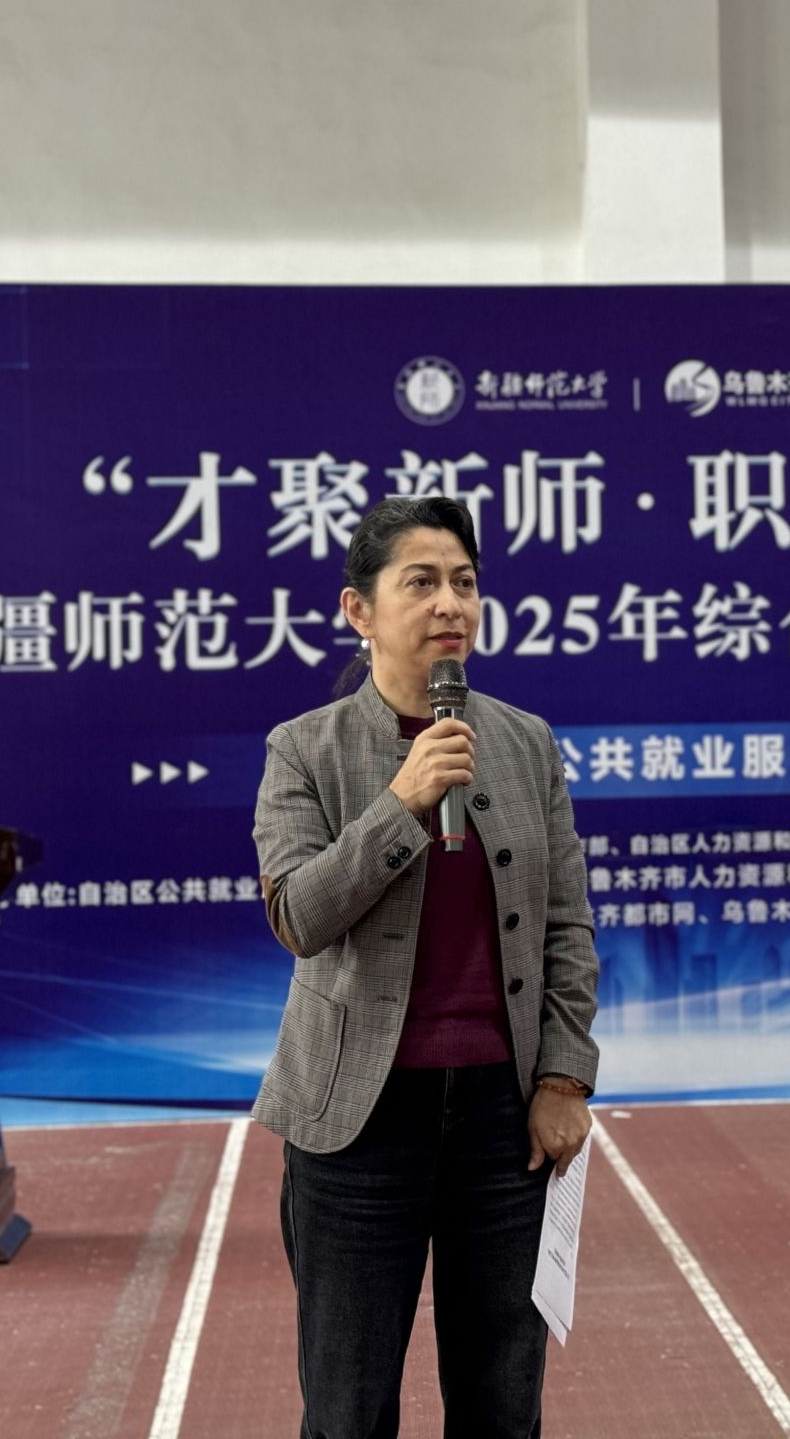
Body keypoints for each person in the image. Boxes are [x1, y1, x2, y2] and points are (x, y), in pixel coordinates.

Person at [251, 493, 599, 1439]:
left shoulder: (524, 742)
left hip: (503, 1121)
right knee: (348, 1408)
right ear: (358, 610)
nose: (451, 603)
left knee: (501, 1406)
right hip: (358, 1122)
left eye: (465, 582)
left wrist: (564, 1078)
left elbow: (566, 924)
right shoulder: (304, 750)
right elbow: (299, 917)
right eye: (422, 583)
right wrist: (401, 803)